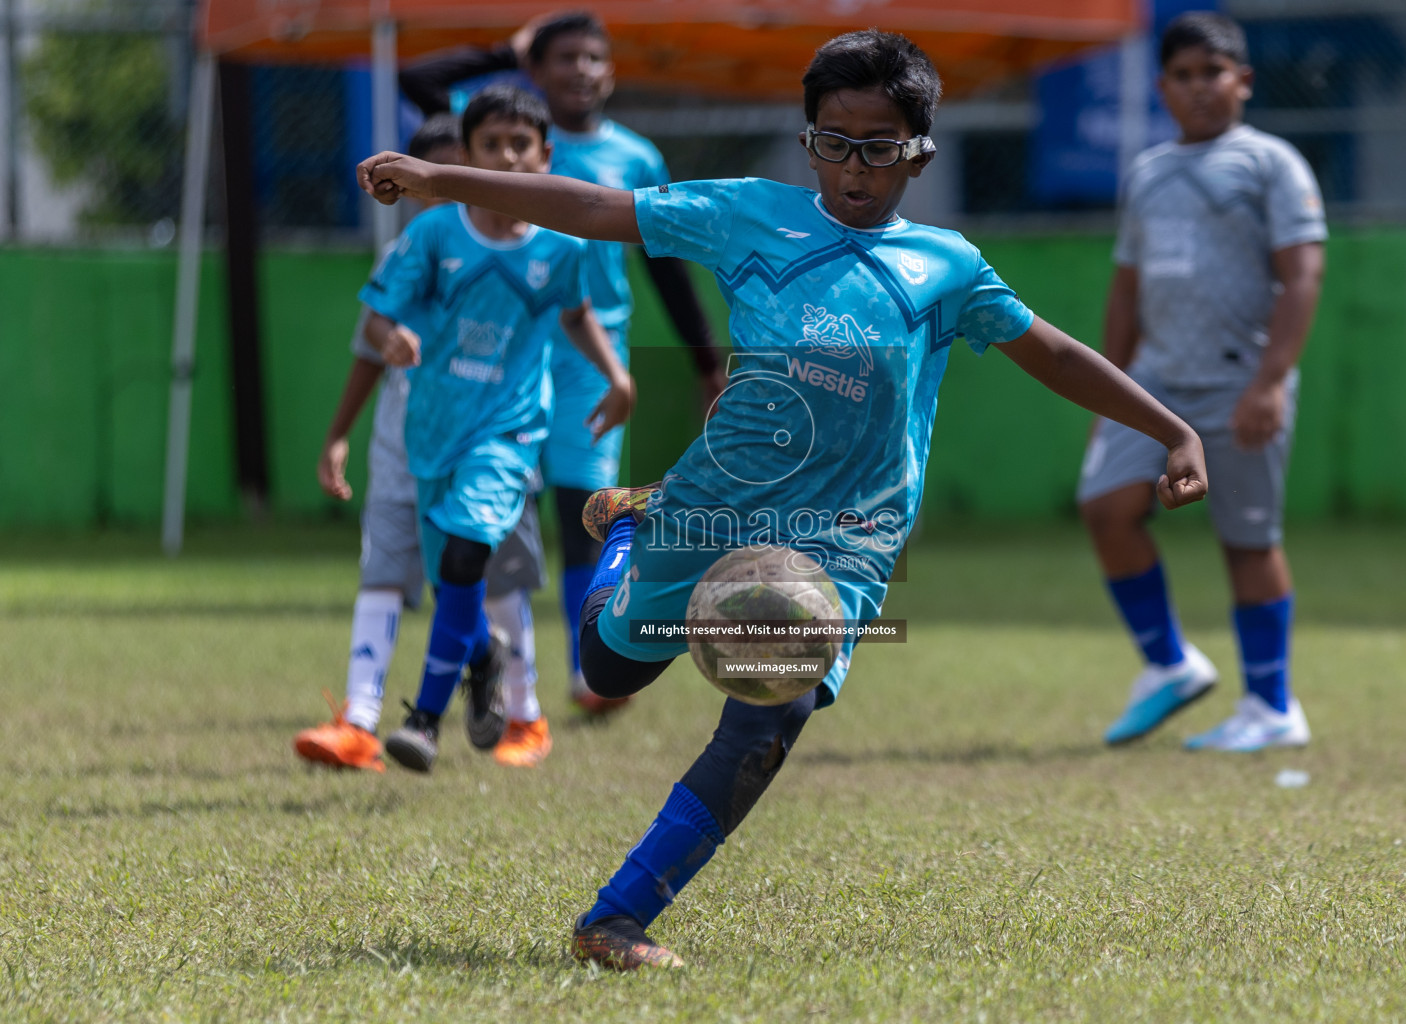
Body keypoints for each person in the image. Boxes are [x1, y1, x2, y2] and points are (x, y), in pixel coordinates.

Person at [358, 29, 1207, 967]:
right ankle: (632, 534)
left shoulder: (948, 268)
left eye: (879, 145)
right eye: (833, 141)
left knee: (775, 707)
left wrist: (1172, 428)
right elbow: (597, 206)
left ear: (918, 152)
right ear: (809, 141)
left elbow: (1050, 349)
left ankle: (615, 919)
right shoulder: (747, 214)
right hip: (713, 502)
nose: (854, 166)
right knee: (609, 672)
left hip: (845, 538)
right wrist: (448, 181)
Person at [401, 11, 728, 717]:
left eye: (593, 58)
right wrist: (503, 48)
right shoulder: (495, 131)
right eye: (564, 58)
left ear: (610, 73)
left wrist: (707, 362)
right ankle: (505, 677)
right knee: (485, 525)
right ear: (537, 71)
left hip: (588, 355)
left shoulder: (635, 158)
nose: (580, 69)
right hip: (501, 360)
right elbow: (416, 79)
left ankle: (589, 671)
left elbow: (666, 268)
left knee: (584, 508)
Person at [360, 85, 633, 774]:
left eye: (521, 146)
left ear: (545, 158)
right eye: (492, 146)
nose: (507, 158)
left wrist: (617, 377)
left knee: (464, 558)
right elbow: (374, 317)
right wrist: (390, 337)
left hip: (509, 432)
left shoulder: (562, 247)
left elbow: (576, 315)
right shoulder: (433, 234)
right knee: (457, 581)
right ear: (467, 156)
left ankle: (423, 719)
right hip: (432, 430)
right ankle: (482, 658)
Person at [1079, 12, 1327, 753]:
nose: (1199, 88)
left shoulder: (1270, 163)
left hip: (1238, 384)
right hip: (1154, 385)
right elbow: (1125, 290)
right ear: (1162, 88)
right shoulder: (1148, 172)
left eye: (1213, 73)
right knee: (1104, 507)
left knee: (1247, 542)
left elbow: (1303, 274)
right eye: (1182, 76)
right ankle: (1169, 665)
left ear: (1243, 81)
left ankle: (1272, 707)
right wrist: (1109, 388)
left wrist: (1270, 381)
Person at [294, 114, 554, 773]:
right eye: (430, 178)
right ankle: (357, 721)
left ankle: (525, 713)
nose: (445, 190)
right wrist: (337, 437)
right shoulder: (407, 256)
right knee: (385, 571)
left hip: (489, 446)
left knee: (490, 580)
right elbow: (367, 348)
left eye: (456, 176)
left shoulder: (533, 251)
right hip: (402, 445)